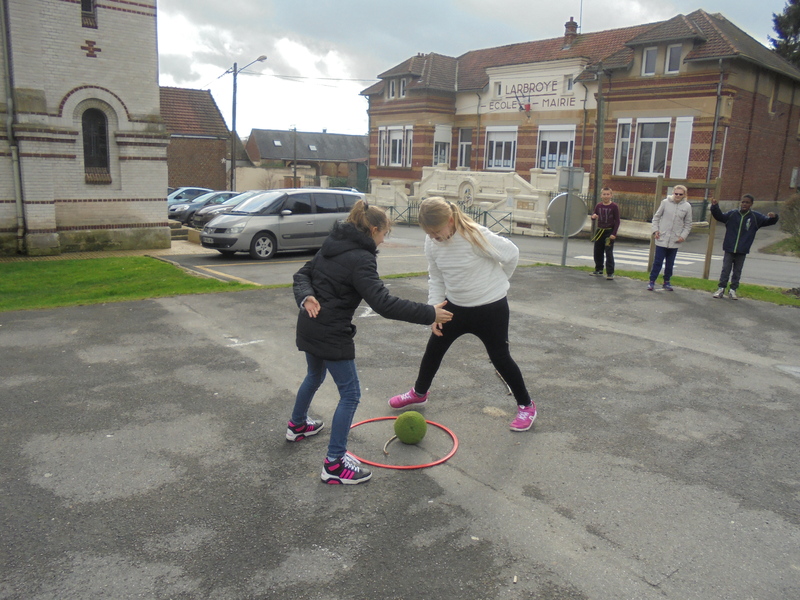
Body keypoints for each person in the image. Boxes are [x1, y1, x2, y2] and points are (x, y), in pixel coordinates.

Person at [289, 199, 452, 485]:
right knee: (350, 394)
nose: (383, 240)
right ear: (374, 229)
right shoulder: (361, 258)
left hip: (310, 325)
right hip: (330, 332)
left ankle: (298, 425)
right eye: (384, 234)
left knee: (314, 375)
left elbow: (303, 274)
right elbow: (384, 304)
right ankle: (334, 464)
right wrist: (430, 313)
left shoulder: (334, 241)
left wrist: (306, 296)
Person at [387, 196, 537, 432]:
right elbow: (435, 277)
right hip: (454, 307)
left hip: (491, 308)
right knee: (433, 350)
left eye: (437, 232)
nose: (435, 238)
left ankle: (526, 406)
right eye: (430, 235)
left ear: (450, 219)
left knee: (500, 358)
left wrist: (498, 282)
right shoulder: (431, 242)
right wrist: (433, 311)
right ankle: (419, 393)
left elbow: (511, 254)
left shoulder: (475, 236)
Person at [710, 194, 778, 300]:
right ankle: (721, 288)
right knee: (725, 269)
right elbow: (720, 216)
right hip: (730, 247)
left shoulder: (755, 217)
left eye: (747, 202)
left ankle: (733, 290)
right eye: (743, 202)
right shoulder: (732, 214)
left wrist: (774, 217)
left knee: (737, 270)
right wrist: (714, 207)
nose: (744, 204)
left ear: (751, 204)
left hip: (742, 249)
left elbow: (768, 221)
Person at [648, 185, 692, 291]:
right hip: (662, 238)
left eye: (680, 194)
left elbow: (688, 224)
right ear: (673, 193)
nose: (677, 196)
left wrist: (683, 236)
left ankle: (666, 281)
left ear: (684, 195)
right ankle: (652, 281)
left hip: (675, 239)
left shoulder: (687, 206)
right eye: (676, 193)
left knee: (670, 263)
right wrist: (655, 230)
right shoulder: (665, 203)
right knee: (658, 261)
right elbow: (656, 218)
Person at [590, 186, 621, 280]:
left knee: (608, 252)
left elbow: (617, 221)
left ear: (611, 195)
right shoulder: (599, 206)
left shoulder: (614, 206)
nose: (606, 196)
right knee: (597, 251)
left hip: (609, 232)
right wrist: (593, 217)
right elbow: (594, 215)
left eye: (608, 194)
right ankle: (599, 269)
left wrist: (614, 233)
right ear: (601, 195)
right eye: (604, 194)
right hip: (600, 230)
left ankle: (610, 272)